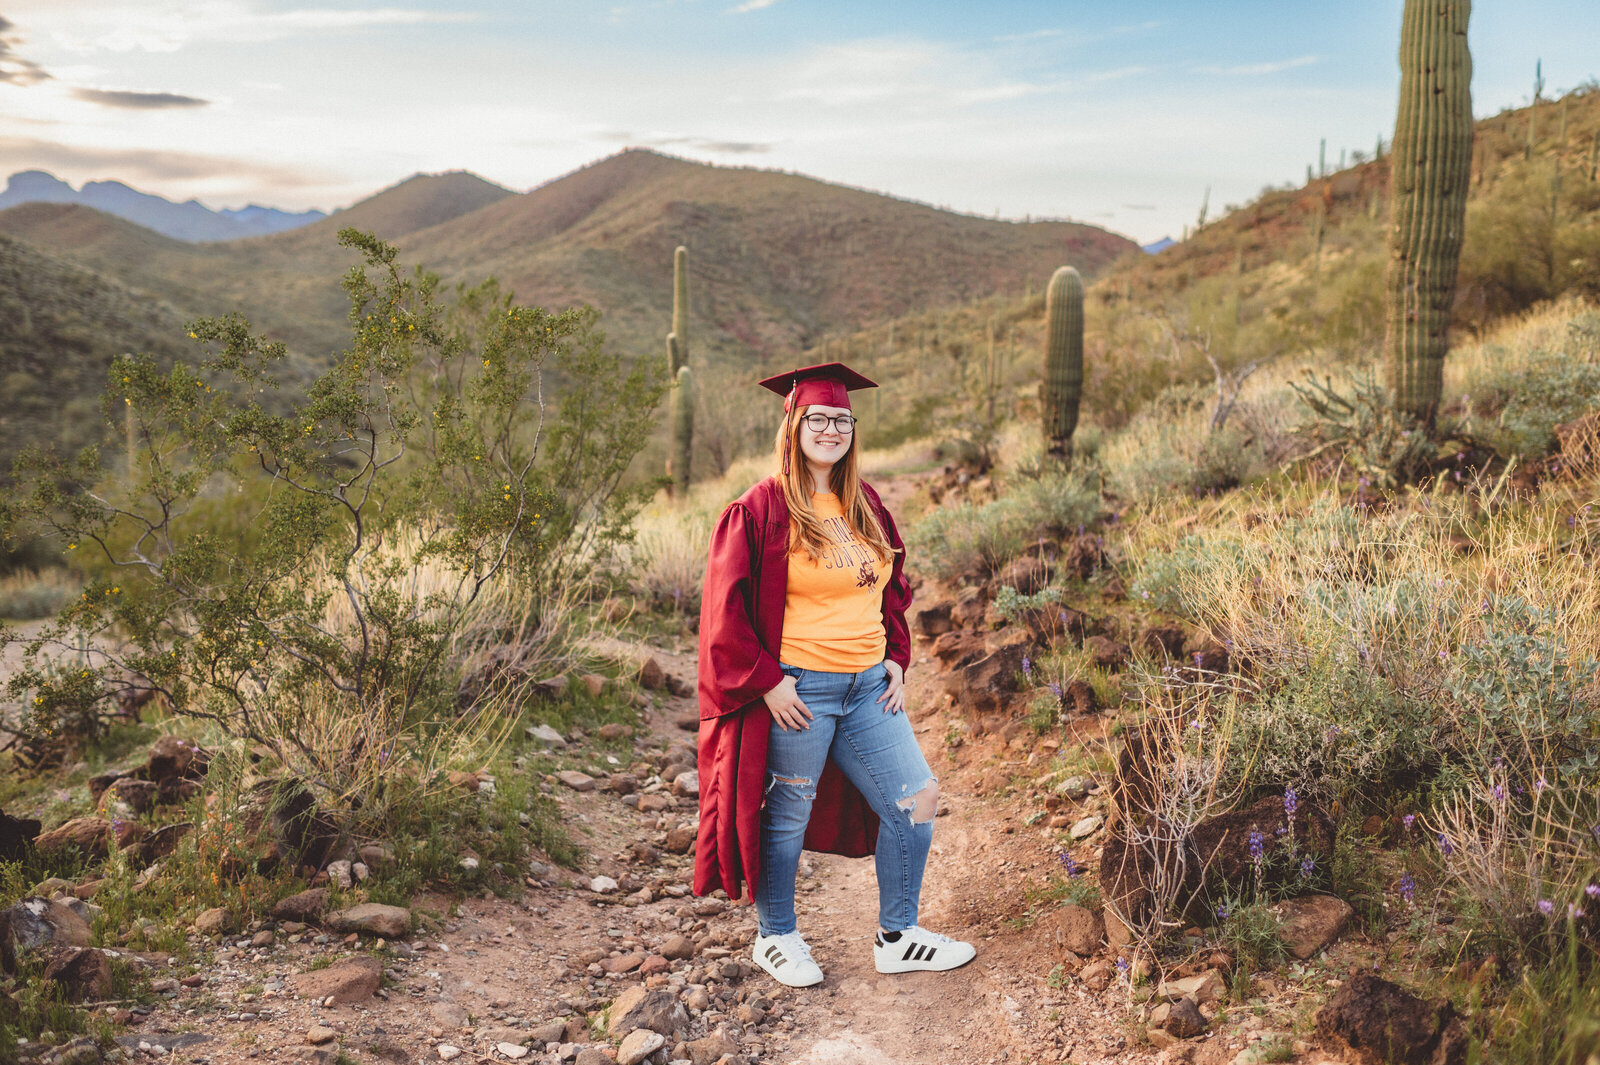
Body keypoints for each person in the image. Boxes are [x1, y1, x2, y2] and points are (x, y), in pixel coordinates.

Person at [693, 362, 976, 988]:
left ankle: (898, 935)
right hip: (801, 689)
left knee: (917, 798)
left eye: (841, 420)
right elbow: (724, 609)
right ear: (793, 425)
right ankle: (776, 936)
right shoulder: (761, 510)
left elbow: (891, 588)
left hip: (868, 686)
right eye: (818, 419)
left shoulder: (864, 504)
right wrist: (768, 681)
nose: (830, 429)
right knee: (785, 816)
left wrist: (897, 658)